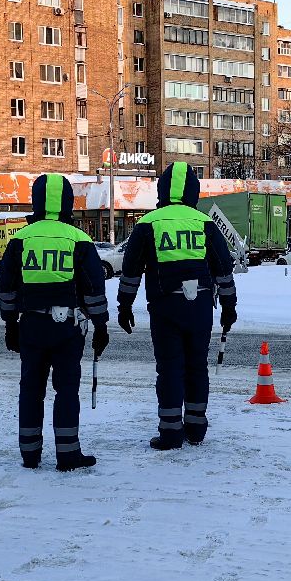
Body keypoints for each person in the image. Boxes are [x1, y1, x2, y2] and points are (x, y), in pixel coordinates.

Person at [116, 162, 237, 450]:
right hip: (201, 307)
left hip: (164, 305)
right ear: (193, 191)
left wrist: (124, 306)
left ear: (162, 189)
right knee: (197, 367)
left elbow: (131, 270)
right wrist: (229, 306)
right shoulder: (204, 223)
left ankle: (170, 432)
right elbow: (224, 268)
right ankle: (196, 428)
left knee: (169, 369)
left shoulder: (148, 224)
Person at [0, 173, 109, 471]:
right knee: (66, 391)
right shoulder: (79, 239)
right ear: (67, 203)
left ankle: (30, 454)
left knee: (31, 390)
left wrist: (10, 324)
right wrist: (101, 325)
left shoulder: (21, 239)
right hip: (67, 329)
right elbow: (94, 287)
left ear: (36, 201)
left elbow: (7, 285)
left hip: (31, 326)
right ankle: (68, 454)